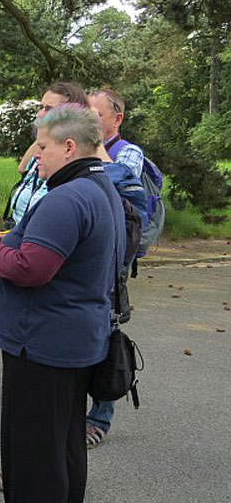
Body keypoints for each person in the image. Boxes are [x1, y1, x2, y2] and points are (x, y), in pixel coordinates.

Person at [0, 104, 124, 503]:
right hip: (72, 342)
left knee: (32, 459)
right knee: (62, 448)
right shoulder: (101, 188)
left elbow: (29, 268)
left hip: (40, 344)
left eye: (43, 146)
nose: (36, 155)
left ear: (69, 146)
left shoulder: (68, 196)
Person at [86, 88, 144, 448]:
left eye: (94, 113)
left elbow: (118, 179)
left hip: (112, 263)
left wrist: (94, 150)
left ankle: (99, 417)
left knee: (105, 336)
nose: (87, 119)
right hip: (88, 257)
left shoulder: (128, 152)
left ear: (116, 118)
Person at [6, 82, 88, 228]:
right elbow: (22, 168)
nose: (40, 114)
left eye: (49, 109)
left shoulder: (70, 168)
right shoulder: (42, 155)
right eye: (41, 107)